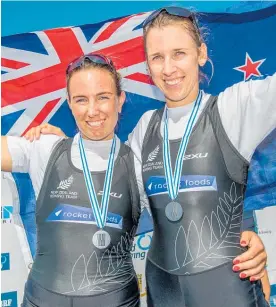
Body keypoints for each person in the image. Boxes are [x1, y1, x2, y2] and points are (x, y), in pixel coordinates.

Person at [22, 6, 274, 307]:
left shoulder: (234, 109)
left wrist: (249, 234)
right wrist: (56, 144)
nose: (168, 68)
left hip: (227, 280)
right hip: (162, 287)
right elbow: (103, 173)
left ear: (201, 53)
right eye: (157, 57)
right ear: (148, 66)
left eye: (179, 53)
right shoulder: (145, 129)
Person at [1, 54, 141, 307]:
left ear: (120, 100)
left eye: (103, 97)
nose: (92, 110)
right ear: (69, 104)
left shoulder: (139, 163)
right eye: (81, 100)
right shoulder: (45, 148)